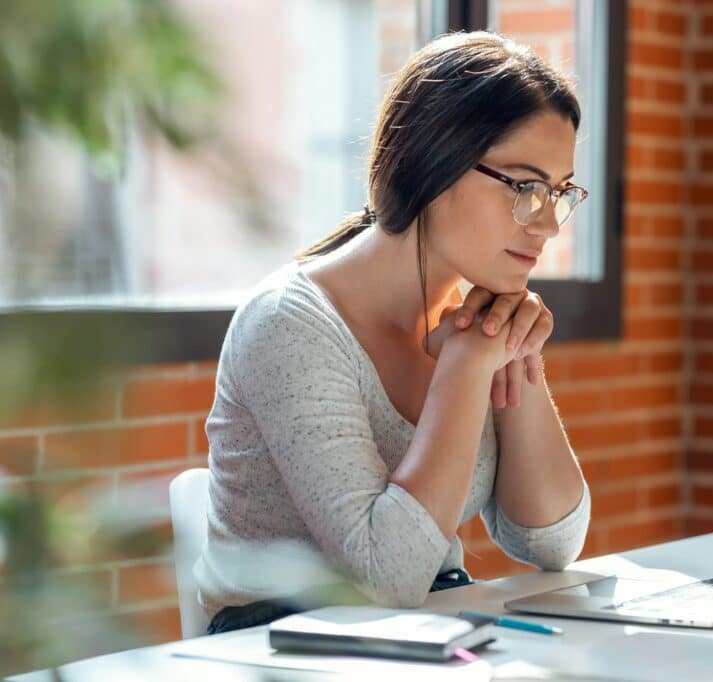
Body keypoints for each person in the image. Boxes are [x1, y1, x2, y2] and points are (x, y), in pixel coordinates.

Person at [195, 31, 591, 634]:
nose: (547, 225)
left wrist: (511, 351)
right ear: (436, 161)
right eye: (526, 188)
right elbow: (388, 575)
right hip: (283, 647)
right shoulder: (288, 325)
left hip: (432, 631)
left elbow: (550, 541)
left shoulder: (473, 320)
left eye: (558, 194)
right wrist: (462, 368)